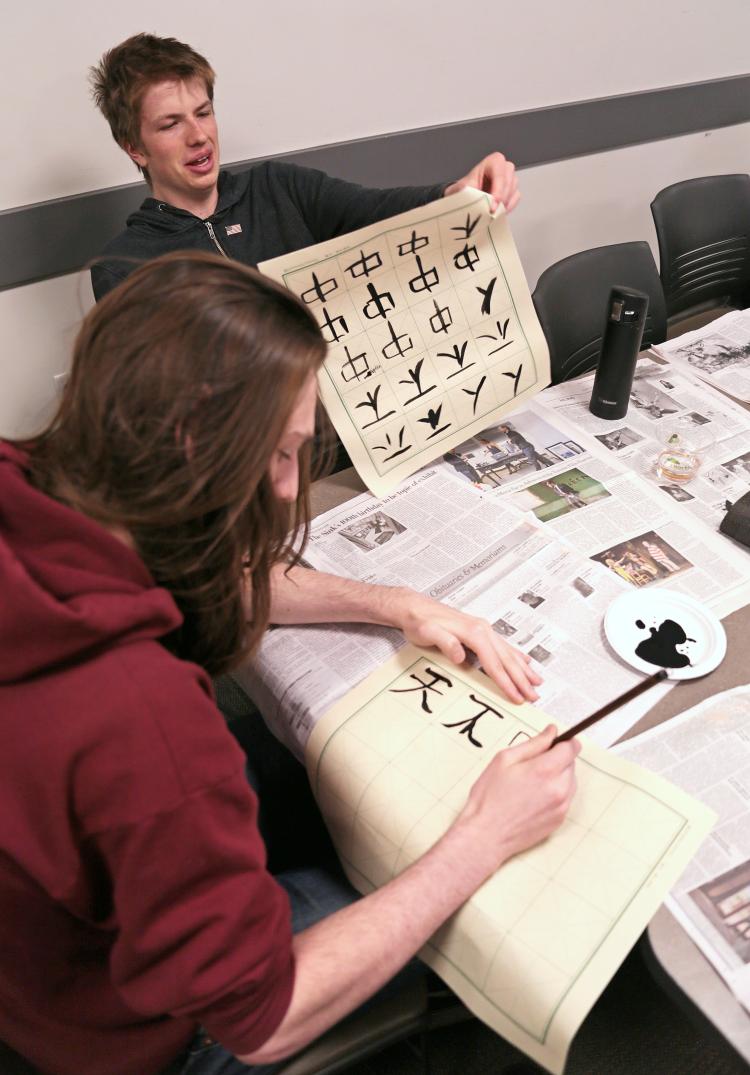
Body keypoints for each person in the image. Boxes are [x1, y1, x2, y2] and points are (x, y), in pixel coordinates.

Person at [0, 252, 578, 1075]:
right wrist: (482, 839)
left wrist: (395, 603)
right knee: (468, 920)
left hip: (37, 958)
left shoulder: (36, 483)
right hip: (132, 1034)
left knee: (298, 768)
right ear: (193, 446)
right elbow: (260, 1017)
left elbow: (206, 573)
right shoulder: (145, 719)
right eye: (280, 455)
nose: (283, 491)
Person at [88, 33, 521, 302]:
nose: (198, 135)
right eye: (171, 124)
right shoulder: (124, 267)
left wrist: (457, 194)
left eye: (203, 113)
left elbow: (378, 211)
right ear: (135, 148)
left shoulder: (281, 188)